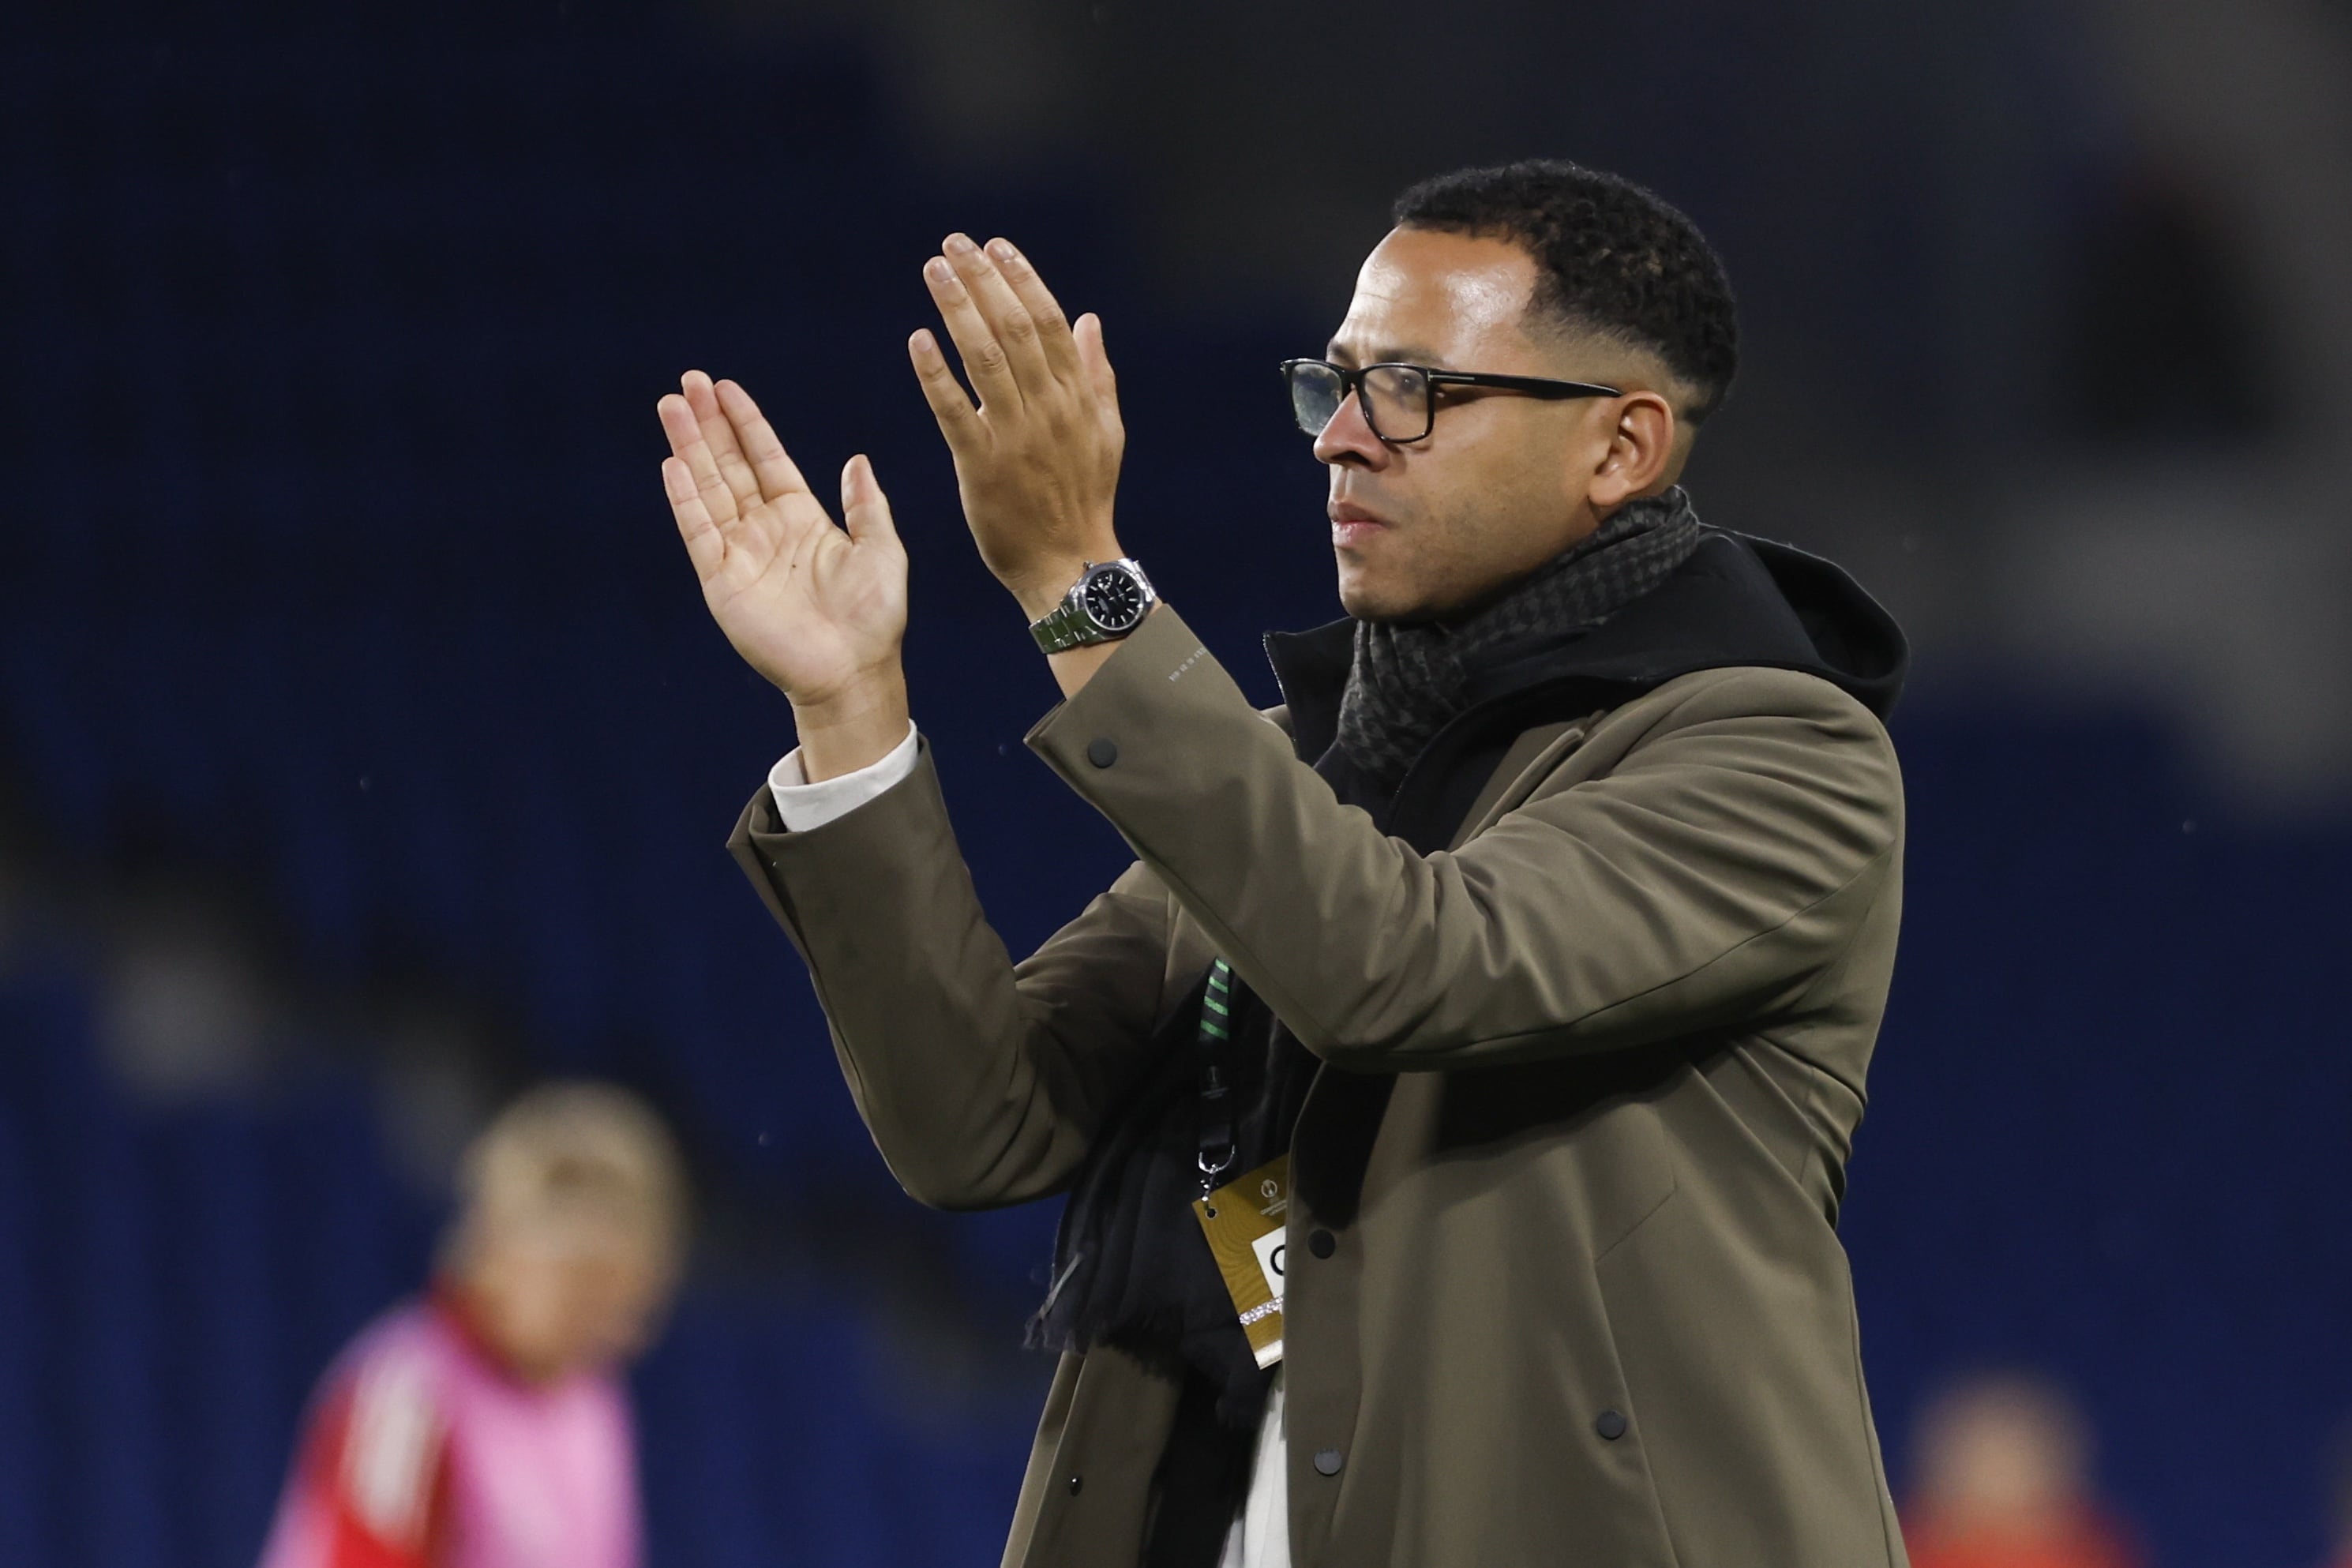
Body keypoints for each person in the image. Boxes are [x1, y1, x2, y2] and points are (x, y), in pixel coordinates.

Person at [662, 158, 1911, 1566]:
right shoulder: (1297, 767)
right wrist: (847, 709)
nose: (1339, 440)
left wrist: (1082, 588)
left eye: (1414, 392)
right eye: (1335, 384)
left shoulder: (1771, 754)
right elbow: (982, 1120)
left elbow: (1407, 967)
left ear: (1618, 448)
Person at [257, 1082, 687, 1568]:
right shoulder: (404, 1399)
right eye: (582, 1286)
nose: (608, 1320)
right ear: (497, 1254)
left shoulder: (594, 1400)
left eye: (625, 1291)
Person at [1901, 1373, 2141, 1568]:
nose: (1999, 1478)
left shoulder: (2093, 1552)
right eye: (1987, 1460)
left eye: (2013, 1459)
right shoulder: (1902, 1547)